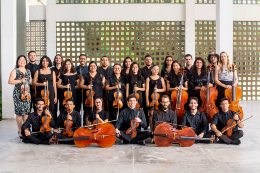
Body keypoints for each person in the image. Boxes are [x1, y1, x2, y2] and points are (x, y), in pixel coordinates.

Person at [8, 55, 32, 138]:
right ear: (17, 62)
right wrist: (20, 80)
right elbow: (10, 81)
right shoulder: (15, 70)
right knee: (19, 113)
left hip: (27, 94)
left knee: (26, 112)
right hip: (18, 94)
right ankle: (20, 130)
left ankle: (25, 129)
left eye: (24, 60)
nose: (22, 61)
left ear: (26, 61)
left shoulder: (28, 71)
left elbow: (30, 82)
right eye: (20, 60)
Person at [145, 65, 166, 131]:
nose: (156, 71)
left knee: (159, 114)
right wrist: (147, 101)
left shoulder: (161, 78)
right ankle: (151, 129)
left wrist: (158, 90)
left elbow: (164, 89)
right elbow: (147, 90)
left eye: (157, 69)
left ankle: (158, 130)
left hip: (159, 99)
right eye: (154, 69)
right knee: (151, 114)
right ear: (151, 69)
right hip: (151, 98)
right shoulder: (148, 78)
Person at [141, 55, 153, 128]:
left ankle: (153, 125)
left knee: (153, 110)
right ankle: (146, 125)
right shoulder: (141, 70)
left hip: (153, 92)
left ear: (151, 60)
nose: (148, 61)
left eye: (150, 60)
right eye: (147, 60)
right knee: (145, 109)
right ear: (145, 61)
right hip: (144, 91)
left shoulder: (154, 69)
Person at [50, 54, 63, 123]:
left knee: (62, 107)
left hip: (62, 90)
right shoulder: (51, 69)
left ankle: (60, 123)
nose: (58, 59)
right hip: (53, 89)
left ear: (61, 59)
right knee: (53, 107)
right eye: (56, 58)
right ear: (55, 60)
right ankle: (53, 123)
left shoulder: (63, 69)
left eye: (59, 58)